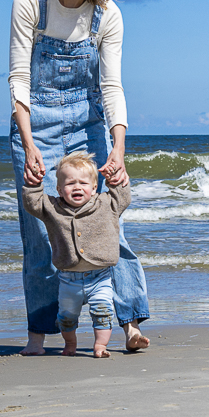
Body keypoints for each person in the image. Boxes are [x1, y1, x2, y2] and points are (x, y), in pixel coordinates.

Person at [9, 0, 150, 356]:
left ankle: (129, 325)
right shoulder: (30, 1)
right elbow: (17, 78)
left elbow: (111, 86)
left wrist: (119, 147)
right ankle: (41, 333)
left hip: (89, 125)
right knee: (40, 231)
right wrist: (29, 144)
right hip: (38, 124)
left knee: (108, 226)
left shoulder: (108, 13)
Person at [21, 152, 130, 359]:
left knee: (103, 311)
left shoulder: (106, 204)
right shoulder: (53, 207)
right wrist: (33, 184)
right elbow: (32, 203)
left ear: (94, 187)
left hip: (100, 276)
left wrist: (114, 178)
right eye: (70, 183)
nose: (77, 187)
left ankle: (100, 346)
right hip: (68, 279)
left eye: (83, 183)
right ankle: (70, 344)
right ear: (60, 189)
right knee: (67, 318)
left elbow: (123, 197)